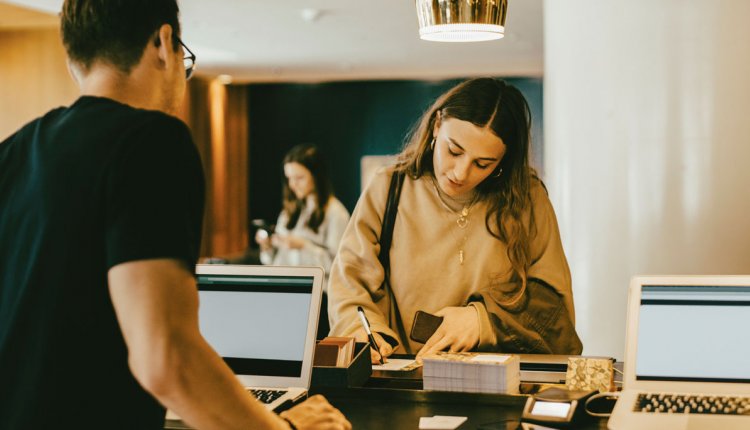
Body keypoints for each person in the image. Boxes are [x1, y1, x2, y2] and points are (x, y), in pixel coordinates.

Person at [0, 1, 350, 429]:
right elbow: (166, 357)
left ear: (73, 58)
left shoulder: (13, 152)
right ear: (165, 44)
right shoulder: (151, 141)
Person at [327, 78, 583, 364]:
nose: (461, 173)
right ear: (437, 125)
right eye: (454, 151)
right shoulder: (388, 188)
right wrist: (365, 334)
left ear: (503, 161)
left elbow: (554, 310)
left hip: (499, 384)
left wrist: (482, 321)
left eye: (483, 164)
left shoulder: (528, 199)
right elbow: (350, 284)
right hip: (402, 377)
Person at [256, 144, 350, 338]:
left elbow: (339, 266)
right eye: (289, 178)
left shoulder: (335, 213)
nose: (293, 185)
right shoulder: (290, 212)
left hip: (317, 298)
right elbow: (273, 263)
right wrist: (267, 248)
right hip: (285, 294)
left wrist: (303, 246)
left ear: (316, 176)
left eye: (299, 178)